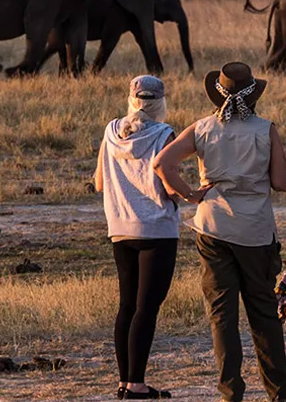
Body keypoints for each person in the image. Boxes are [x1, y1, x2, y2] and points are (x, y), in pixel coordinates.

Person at [153, 63, 286, 402]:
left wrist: (189, 194)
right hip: (256, 231)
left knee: (222, 315)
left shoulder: (202, 128)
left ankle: (230, 392)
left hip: (213, 226)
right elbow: (283, 182)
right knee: (263, 314)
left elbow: (162, 163)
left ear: (217, 94)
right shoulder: (265, 129)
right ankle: (280, 392)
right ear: (253, 95)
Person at [97, 75, 181, 399]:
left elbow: (100, 182)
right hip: (157, 229)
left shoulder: (111, 131)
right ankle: (136, 384)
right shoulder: (165, 133)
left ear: (132, 100)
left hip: (120, 228)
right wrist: (185, 196)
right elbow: (170, 184)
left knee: (127, 305)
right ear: (160, 102)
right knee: (147, 307)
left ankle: (124, 382)